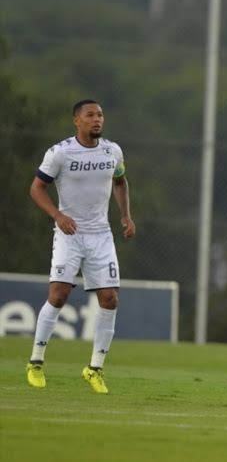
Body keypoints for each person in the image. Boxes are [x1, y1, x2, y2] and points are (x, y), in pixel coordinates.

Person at [26, 99, 136, 394]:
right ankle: (36, 361)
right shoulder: (60, 153)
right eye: (90, 115)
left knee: (110, 299)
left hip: (101, 235)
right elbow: (37, 188)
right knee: (59, 294)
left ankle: (95, 368)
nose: (97, 119)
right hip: (70, 234)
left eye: (100, 114)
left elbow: (120, 181)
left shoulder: (112, 151)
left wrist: (125, 215)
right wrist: (58, 215)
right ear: (77, 121)